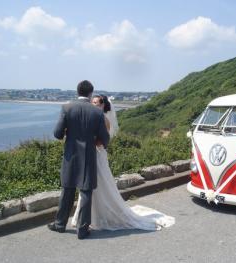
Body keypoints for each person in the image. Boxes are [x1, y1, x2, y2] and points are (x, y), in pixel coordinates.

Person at [71, 95, 175, 231]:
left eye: (96, 103)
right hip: (91, 154)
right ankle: (86, 216)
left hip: (98, 154)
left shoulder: (104, 120)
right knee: (89, 186)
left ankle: (100, 216)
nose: (93, 104)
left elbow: (102, 141)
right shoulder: (93, 117)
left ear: (102, 105)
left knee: (101, 184)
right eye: (92, 102)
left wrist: (87, 142)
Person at [48, 80, 110, 239]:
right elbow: (105, 138)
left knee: (67, 190)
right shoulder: (97, 113)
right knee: (86, 192)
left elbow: (57, 134)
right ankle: (82, 230)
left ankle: (60, 224)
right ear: (90, 93)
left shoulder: (67, 108)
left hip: (71, 155)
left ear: (77, 92)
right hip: (88, 155)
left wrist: (68, 132)